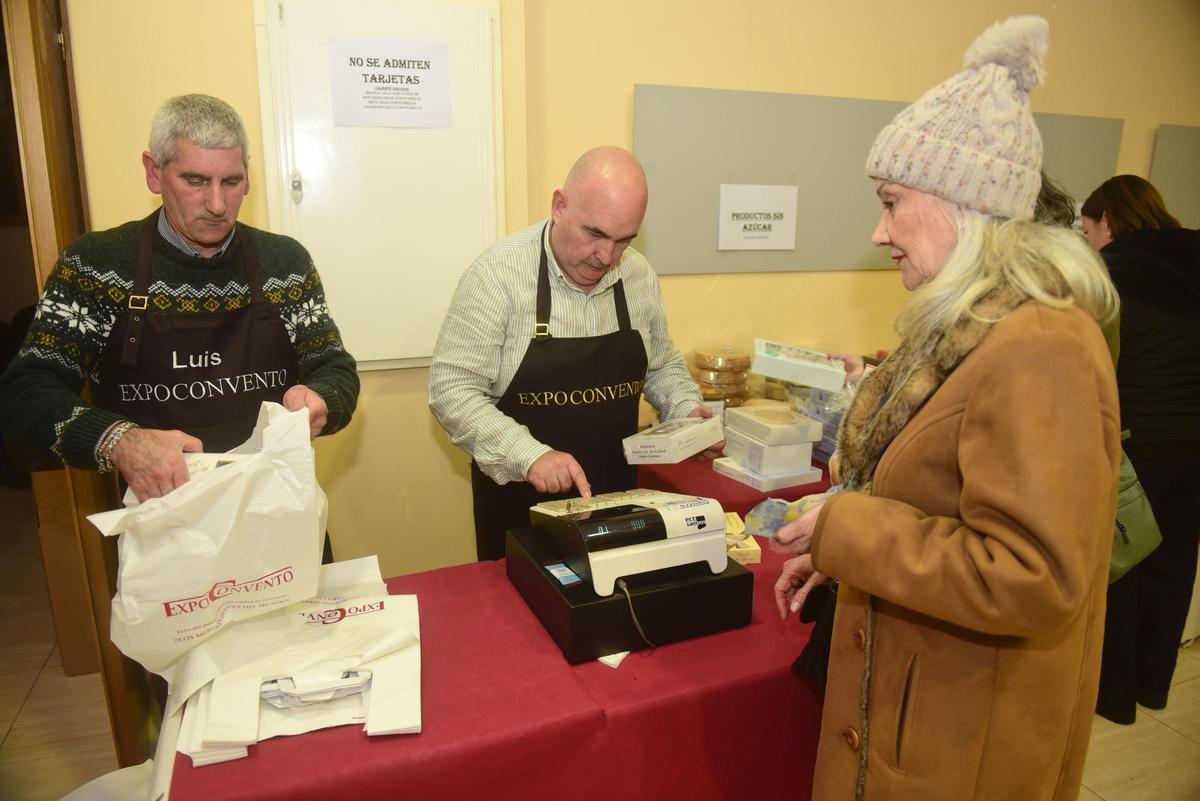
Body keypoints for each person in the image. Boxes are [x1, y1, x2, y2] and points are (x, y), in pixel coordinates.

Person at [771, 17, 1121, 800]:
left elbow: (1032, 573)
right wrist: (839, 554)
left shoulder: (1040, 346)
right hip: (923, 715)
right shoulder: (973, 330)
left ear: (964, 203)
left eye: (892, 203)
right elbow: (936, 509)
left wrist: (845, 528)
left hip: (962, 750)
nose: (879, 229)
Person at [0, 94, 359, 502]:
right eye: (195, 181)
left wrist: (322, 397)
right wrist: (121, 442)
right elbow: (24, 397)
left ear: (248, 176)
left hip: (275, 510)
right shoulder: (97, 266)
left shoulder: (285, 263)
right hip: (162, 520)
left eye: (231, 181)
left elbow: (334, 367)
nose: (217, 204)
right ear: (154, 173)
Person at [429, 146, 710, 560]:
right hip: (520, 511)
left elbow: (661, 364)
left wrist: (685, 412)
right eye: (594, 235)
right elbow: (452, 391)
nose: (606, 257)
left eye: (623, 240)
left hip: (618, 502)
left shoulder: (637, 275)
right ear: (559, 206)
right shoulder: (496, 277)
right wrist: (530, 455)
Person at [1080, 175, 1200, 724]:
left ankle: (1113, 696)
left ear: (1107, 220)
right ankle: (1153, 683)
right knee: (1174, 567)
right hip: (1192, 450)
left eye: (1087, 232)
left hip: (1137, 447)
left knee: (1121, 566)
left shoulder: (1109, 276)